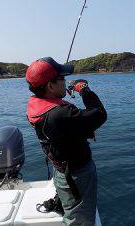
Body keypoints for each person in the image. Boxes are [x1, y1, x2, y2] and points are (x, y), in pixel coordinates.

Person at [26, 57, 107, 225]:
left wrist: (82, 130)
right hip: (77, 177)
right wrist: (84, 89)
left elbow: (62, 130)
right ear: (50, 85)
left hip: (62, 171)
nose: (65, 82)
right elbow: (99, 114)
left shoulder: (38, 105)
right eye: (62, 79)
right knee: (80, 221)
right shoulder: (61, 114)